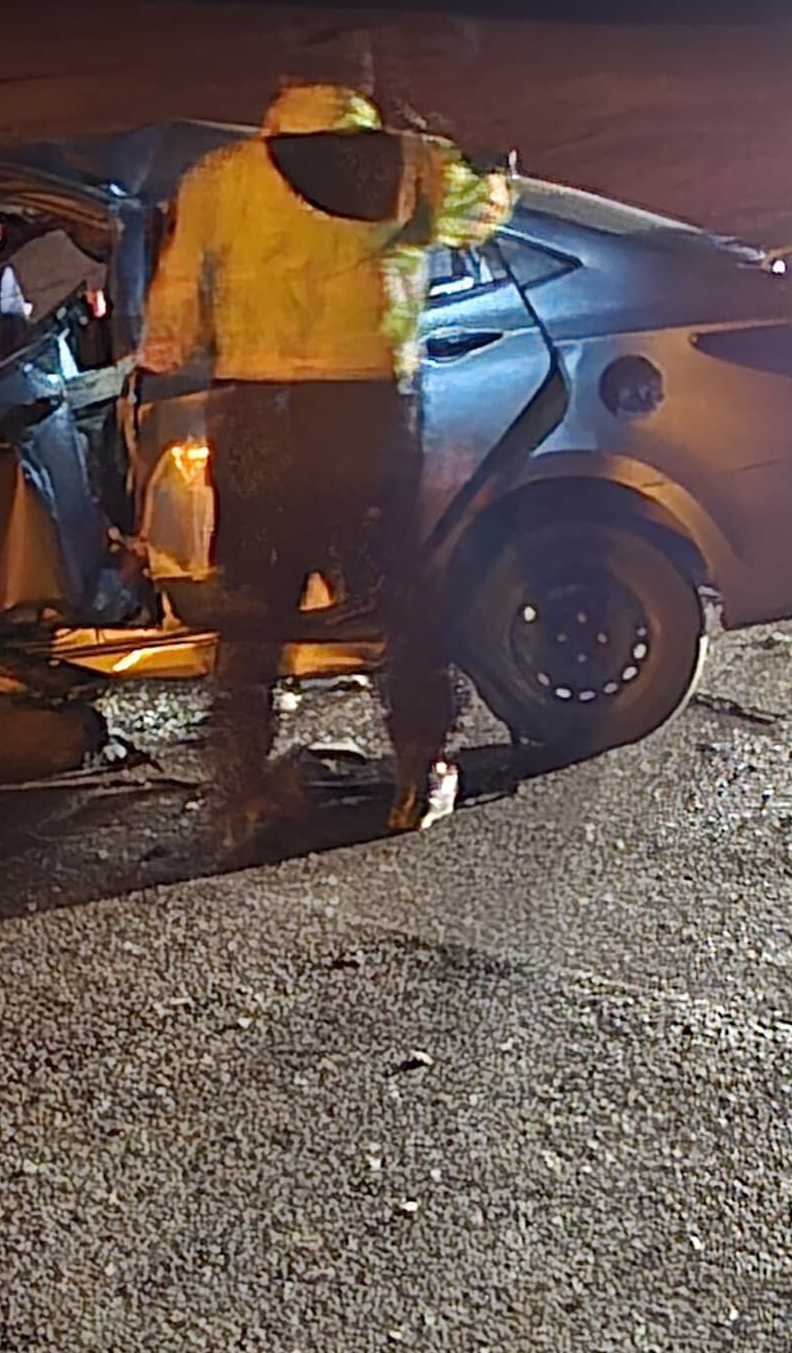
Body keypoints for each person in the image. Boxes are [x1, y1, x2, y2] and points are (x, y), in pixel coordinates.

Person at [138, 80, 516, 842]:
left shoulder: (220, 177)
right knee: (397, 595)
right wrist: (500, 173)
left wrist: (167, 354)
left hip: (255, 412)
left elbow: (171, 320)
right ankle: (420, 773)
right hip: (367, 407)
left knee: (253, 601)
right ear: (362, 99)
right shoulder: (416, 164)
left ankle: (238, 791)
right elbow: (480, 217)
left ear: (281, 98)